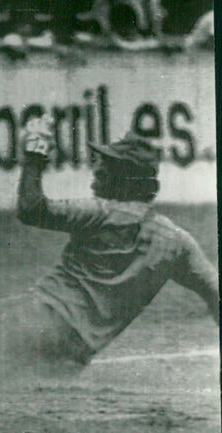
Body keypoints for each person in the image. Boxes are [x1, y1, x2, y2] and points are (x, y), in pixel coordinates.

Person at [12, 118, 219, 369]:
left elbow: (31, 209)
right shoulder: (177, 241)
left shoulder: (99, 213)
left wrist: (35, 151)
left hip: (33, 322)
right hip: (74, 352)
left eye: (104, 167)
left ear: (120, 179)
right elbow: (214, 289)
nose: (96, 172)